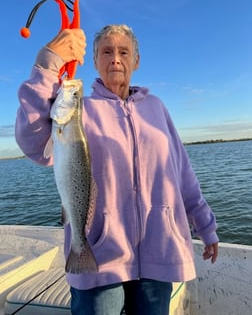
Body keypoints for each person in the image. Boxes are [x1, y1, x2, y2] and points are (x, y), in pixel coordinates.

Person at [15, 24, 219, 315]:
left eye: (124, 52)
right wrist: (48, 64)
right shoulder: (77, 109)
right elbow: (34, 141)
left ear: (136, 60)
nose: (115, 59)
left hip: (159, 251)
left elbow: (182, 174)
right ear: (95, 61)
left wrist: (206, 227)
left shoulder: (157, 108)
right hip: (98, 254)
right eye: (106, 52)